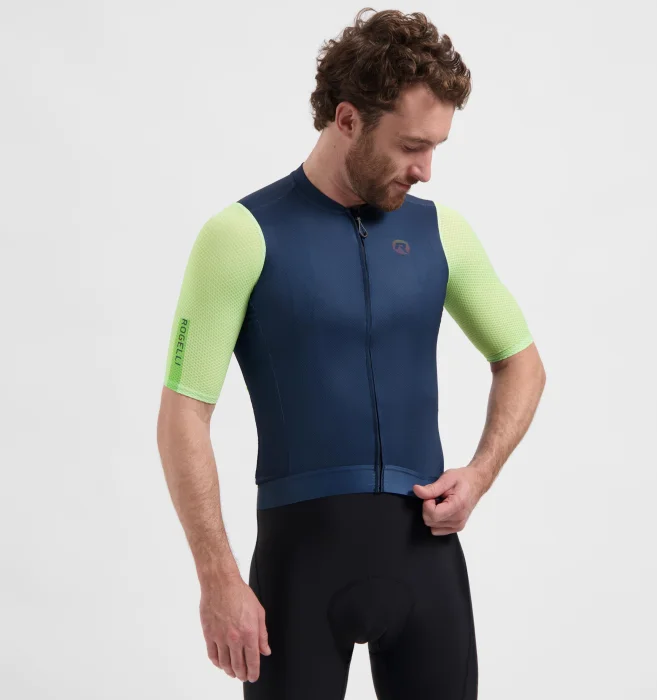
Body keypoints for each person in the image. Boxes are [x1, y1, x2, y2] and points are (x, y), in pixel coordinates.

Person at [156, 7, 546, 699]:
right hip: (297, 574)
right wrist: (217, 578)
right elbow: (182, 413)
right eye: (410, 146)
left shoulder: (442, 234)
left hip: (426, 564)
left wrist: (480, 474)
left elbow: (522, 362)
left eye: (437, 147)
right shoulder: (242, 235)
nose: (425, 170)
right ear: (346, 119)